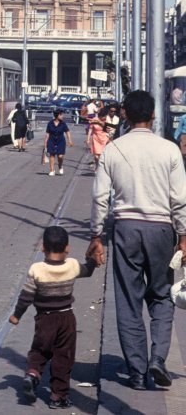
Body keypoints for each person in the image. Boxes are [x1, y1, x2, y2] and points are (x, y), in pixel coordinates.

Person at [88, 90, 186, 391]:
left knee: (128, 301)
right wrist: (183, 236)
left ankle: (137, 372)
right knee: (162, 295)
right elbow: (180, 199)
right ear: (153, 115)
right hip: (161, 231)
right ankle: (157, 358)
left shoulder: (114, 149)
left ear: (125, 115)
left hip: (126, 230)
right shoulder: (169, 150)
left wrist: (96, 235)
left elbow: (100, 197)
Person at [9, 225, 96, 407]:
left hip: (44, 319)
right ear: (67, 248)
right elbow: (88, 270)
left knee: (39, 350)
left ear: (43, 248)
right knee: (64, 356)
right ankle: (58, 397)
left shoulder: (37, 269)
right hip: (66, 318)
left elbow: (25, 297)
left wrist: (16, 316)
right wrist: (93, 260)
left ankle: (33, 374)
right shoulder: (72, 265)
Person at [44, 109, 73, 176]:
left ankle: (60, 165)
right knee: (52, 155)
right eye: (61, 115)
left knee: (60, 156)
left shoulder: (63, 123)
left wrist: (69, 140)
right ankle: (52, 170)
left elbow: (67, 132)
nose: (63, 116)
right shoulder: (50, 123)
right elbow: (47, 133)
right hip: (51, 140)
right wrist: (45, 143)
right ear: (57, 115)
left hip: (61, 141)